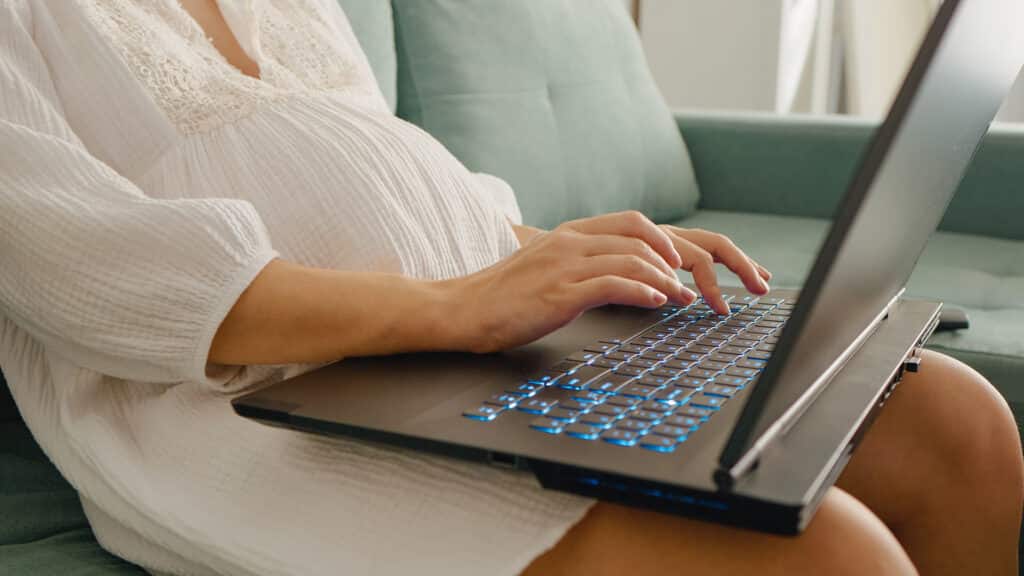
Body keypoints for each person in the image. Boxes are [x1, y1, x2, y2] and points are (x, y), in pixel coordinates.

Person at [0, 1, 1019, 575]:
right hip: (248, 414)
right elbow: (90, 275)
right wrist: (454, 309)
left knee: (958, 423)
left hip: (455, 349)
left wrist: (555, 254)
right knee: (831, 563)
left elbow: (386, 186)